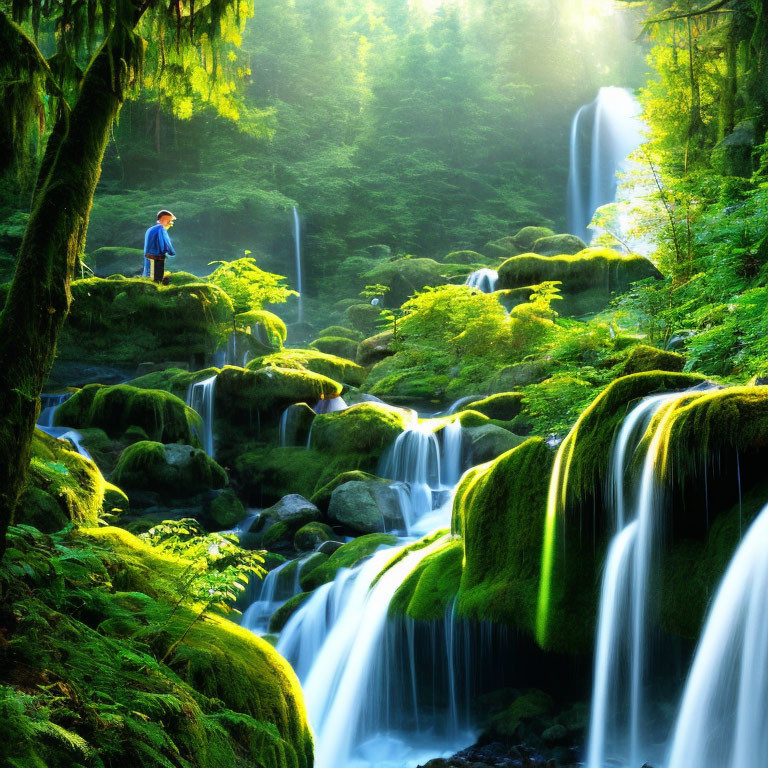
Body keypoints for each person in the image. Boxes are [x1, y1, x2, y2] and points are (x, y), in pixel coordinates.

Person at [143, 209, 177, 284]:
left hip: (149, 255)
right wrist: (171, 252)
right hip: (157, 256)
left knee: (150, 273)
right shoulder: (161, 229)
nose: (170, 223)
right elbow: (165, 242)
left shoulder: (151, 229)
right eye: (169, 221)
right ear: (162, 220)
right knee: (158, 275)